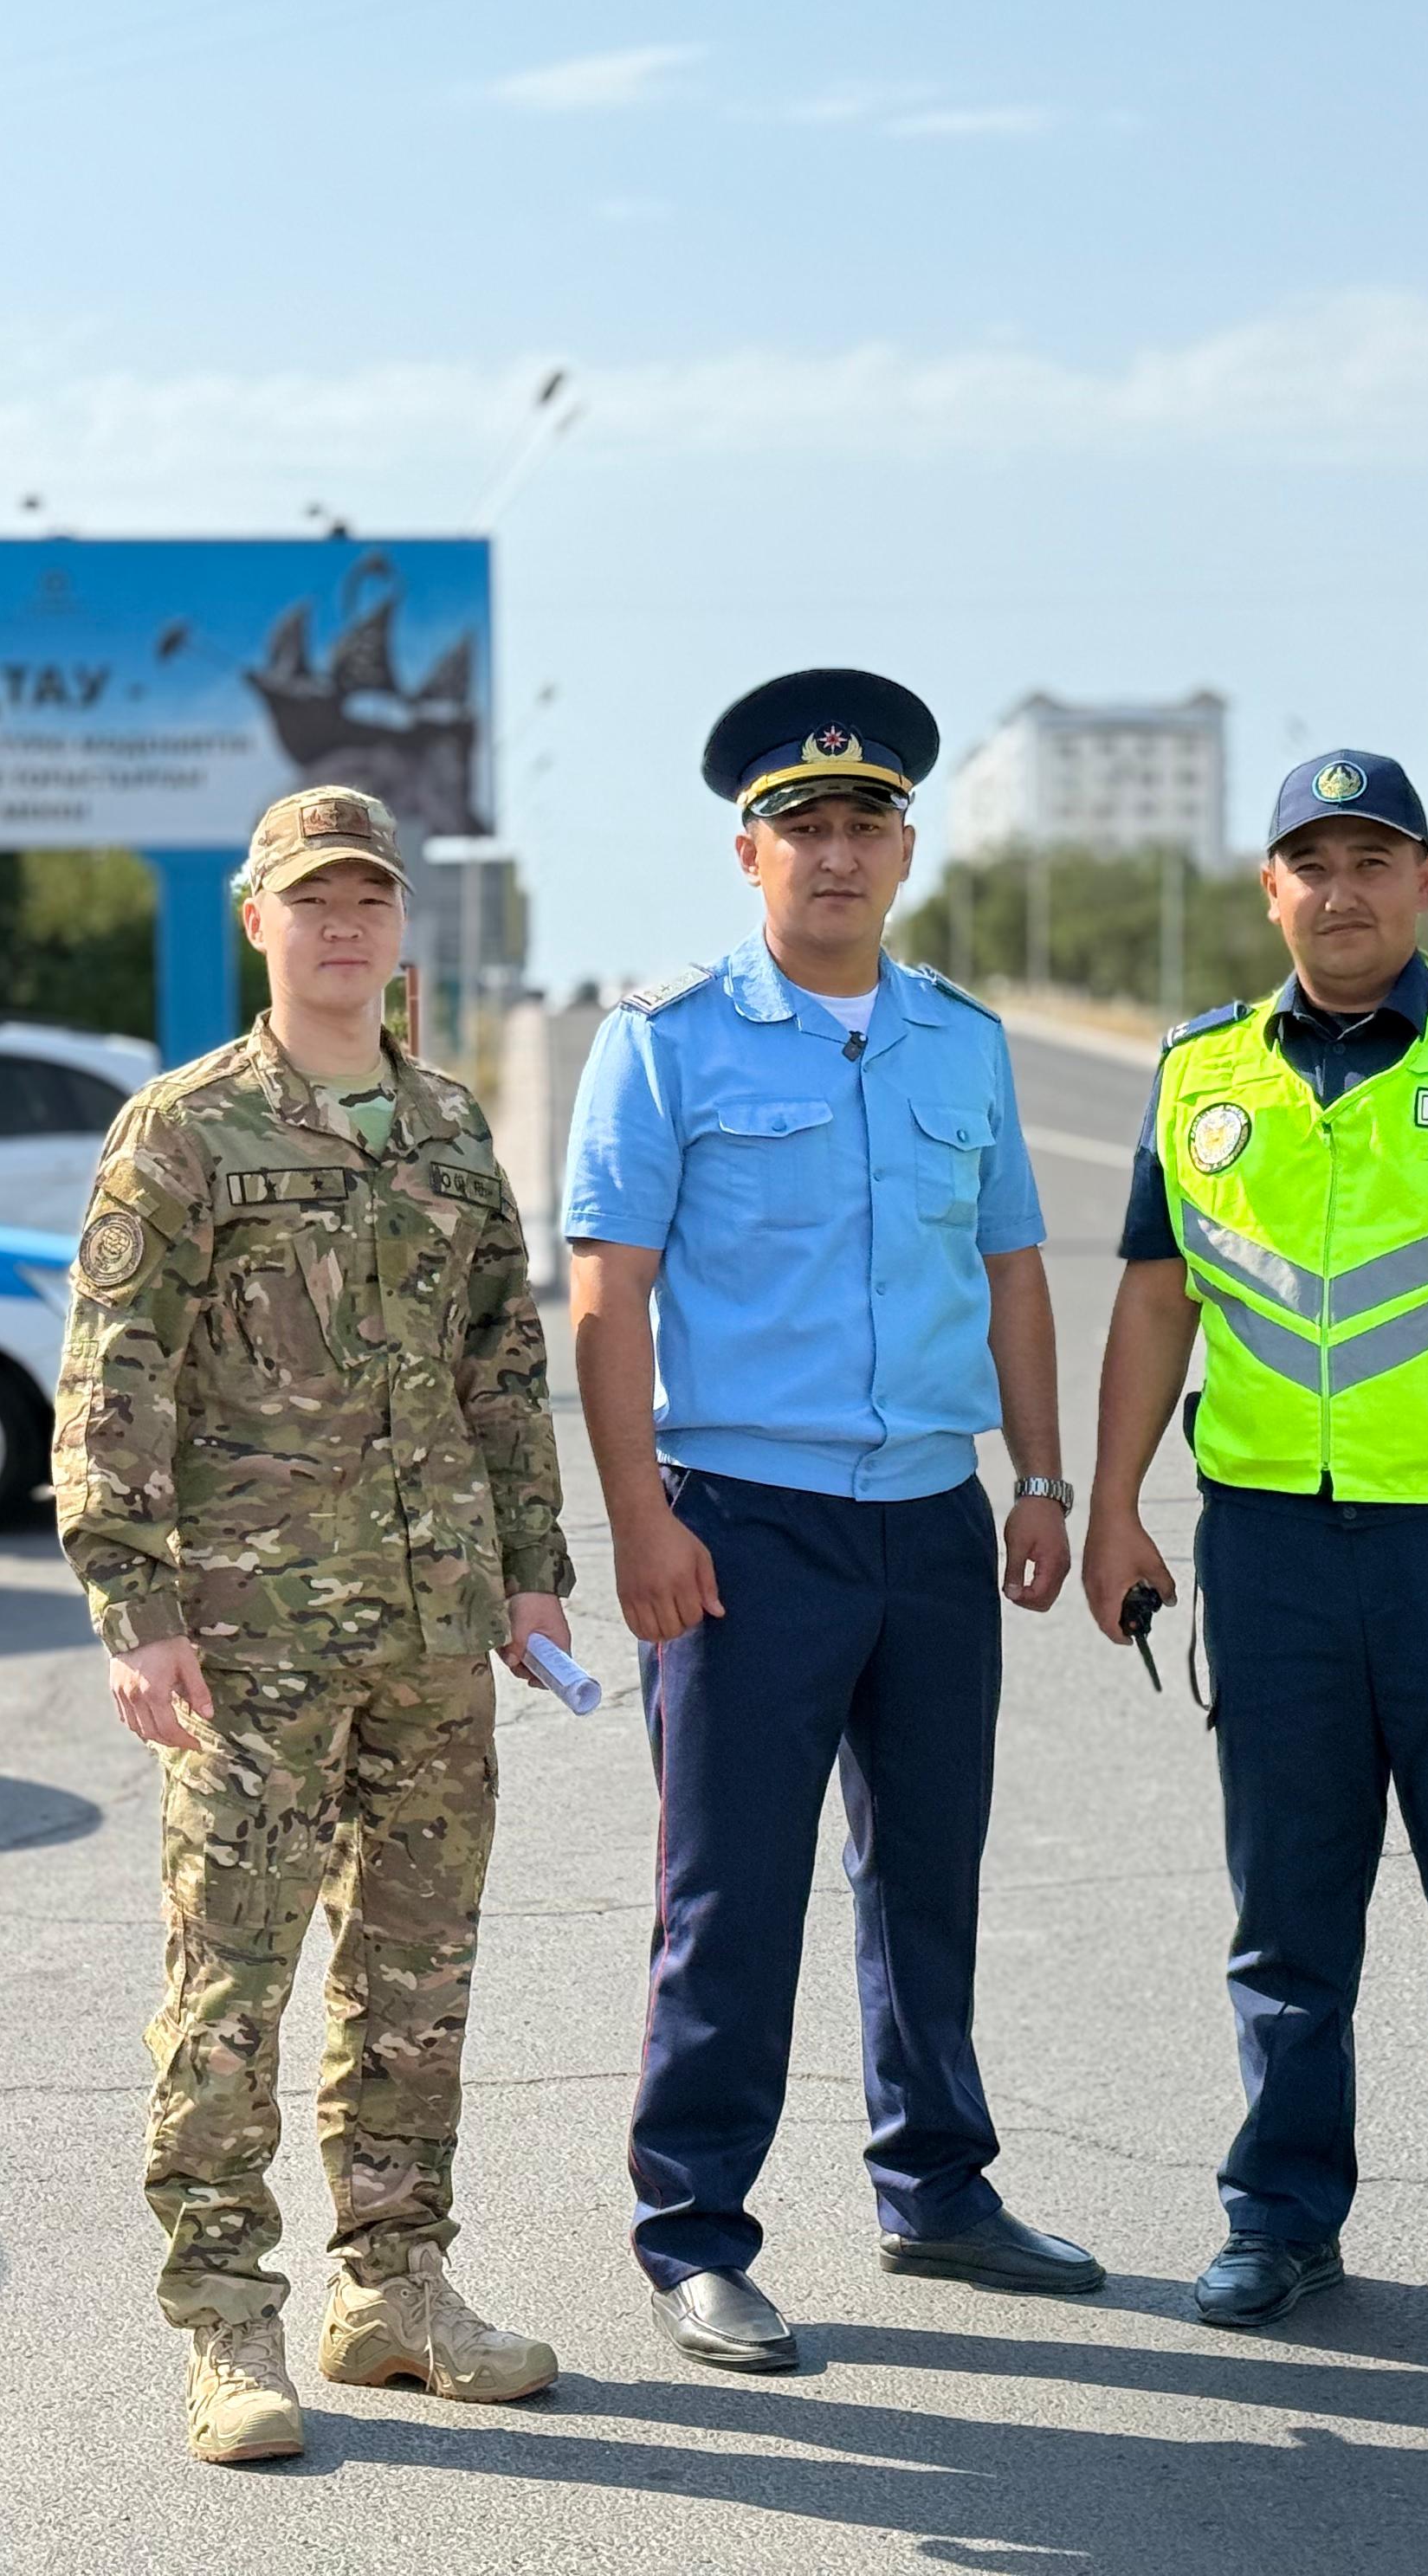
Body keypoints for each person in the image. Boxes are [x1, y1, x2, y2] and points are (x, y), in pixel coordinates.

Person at [562, 668, 1101, 2374]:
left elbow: (1011, 1271)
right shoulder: (666, 1043)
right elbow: (606, 1298)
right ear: (749, 852)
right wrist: (640, 1519)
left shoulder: (963, 1040)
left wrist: (1036, 1478)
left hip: (931, 1523)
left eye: (865, 823)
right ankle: (696, 2232)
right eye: (805, 825)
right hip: (743, 1526)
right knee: (734, 1892)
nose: (838, 852)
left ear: (908, 846)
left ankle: (938, 2188)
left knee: (927, 1872)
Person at [1077, 748, 1428, 2348]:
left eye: (1372, 860)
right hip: (1272, 1554)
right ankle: (1281, 2220)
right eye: (1309, 864)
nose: (1341, 891)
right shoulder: (1200, 1073)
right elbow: (1154, 1296)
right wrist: (1118, 1502)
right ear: (1271, 890)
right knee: (1288, 1919)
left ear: (1424, 882)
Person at [53, 785, 576, 2464]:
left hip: (430, 1629)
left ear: (400, 924)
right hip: (247, 1634)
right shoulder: (185, 1129)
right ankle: (225, 2329)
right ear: (258, 920)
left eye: (369, 898)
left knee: (413, 1981)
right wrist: (133, 1609)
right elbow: (112, 1372)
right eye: (312, 898)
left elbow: (499, 1361)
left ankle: (395, 2292)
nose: (344, 925)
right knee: (231, 1986)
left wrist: (530, 1568)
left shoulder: (443, 1129)